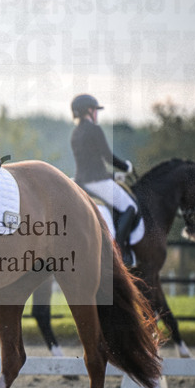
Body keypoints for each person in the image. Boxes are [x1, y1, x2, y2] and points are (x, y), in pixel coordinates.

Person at [70, 93, 140, 266]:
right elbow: (107, 157)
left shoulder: (75, 133)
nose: (96, 114)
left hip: (80, 181)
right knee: (129, 207)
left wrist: (114, 176)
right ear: (89, 110)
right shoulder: (94, 129)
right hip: (97, 182)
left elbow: (89, 164)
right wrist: (126, 167)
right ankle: (120, 251)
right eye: (95, 110)